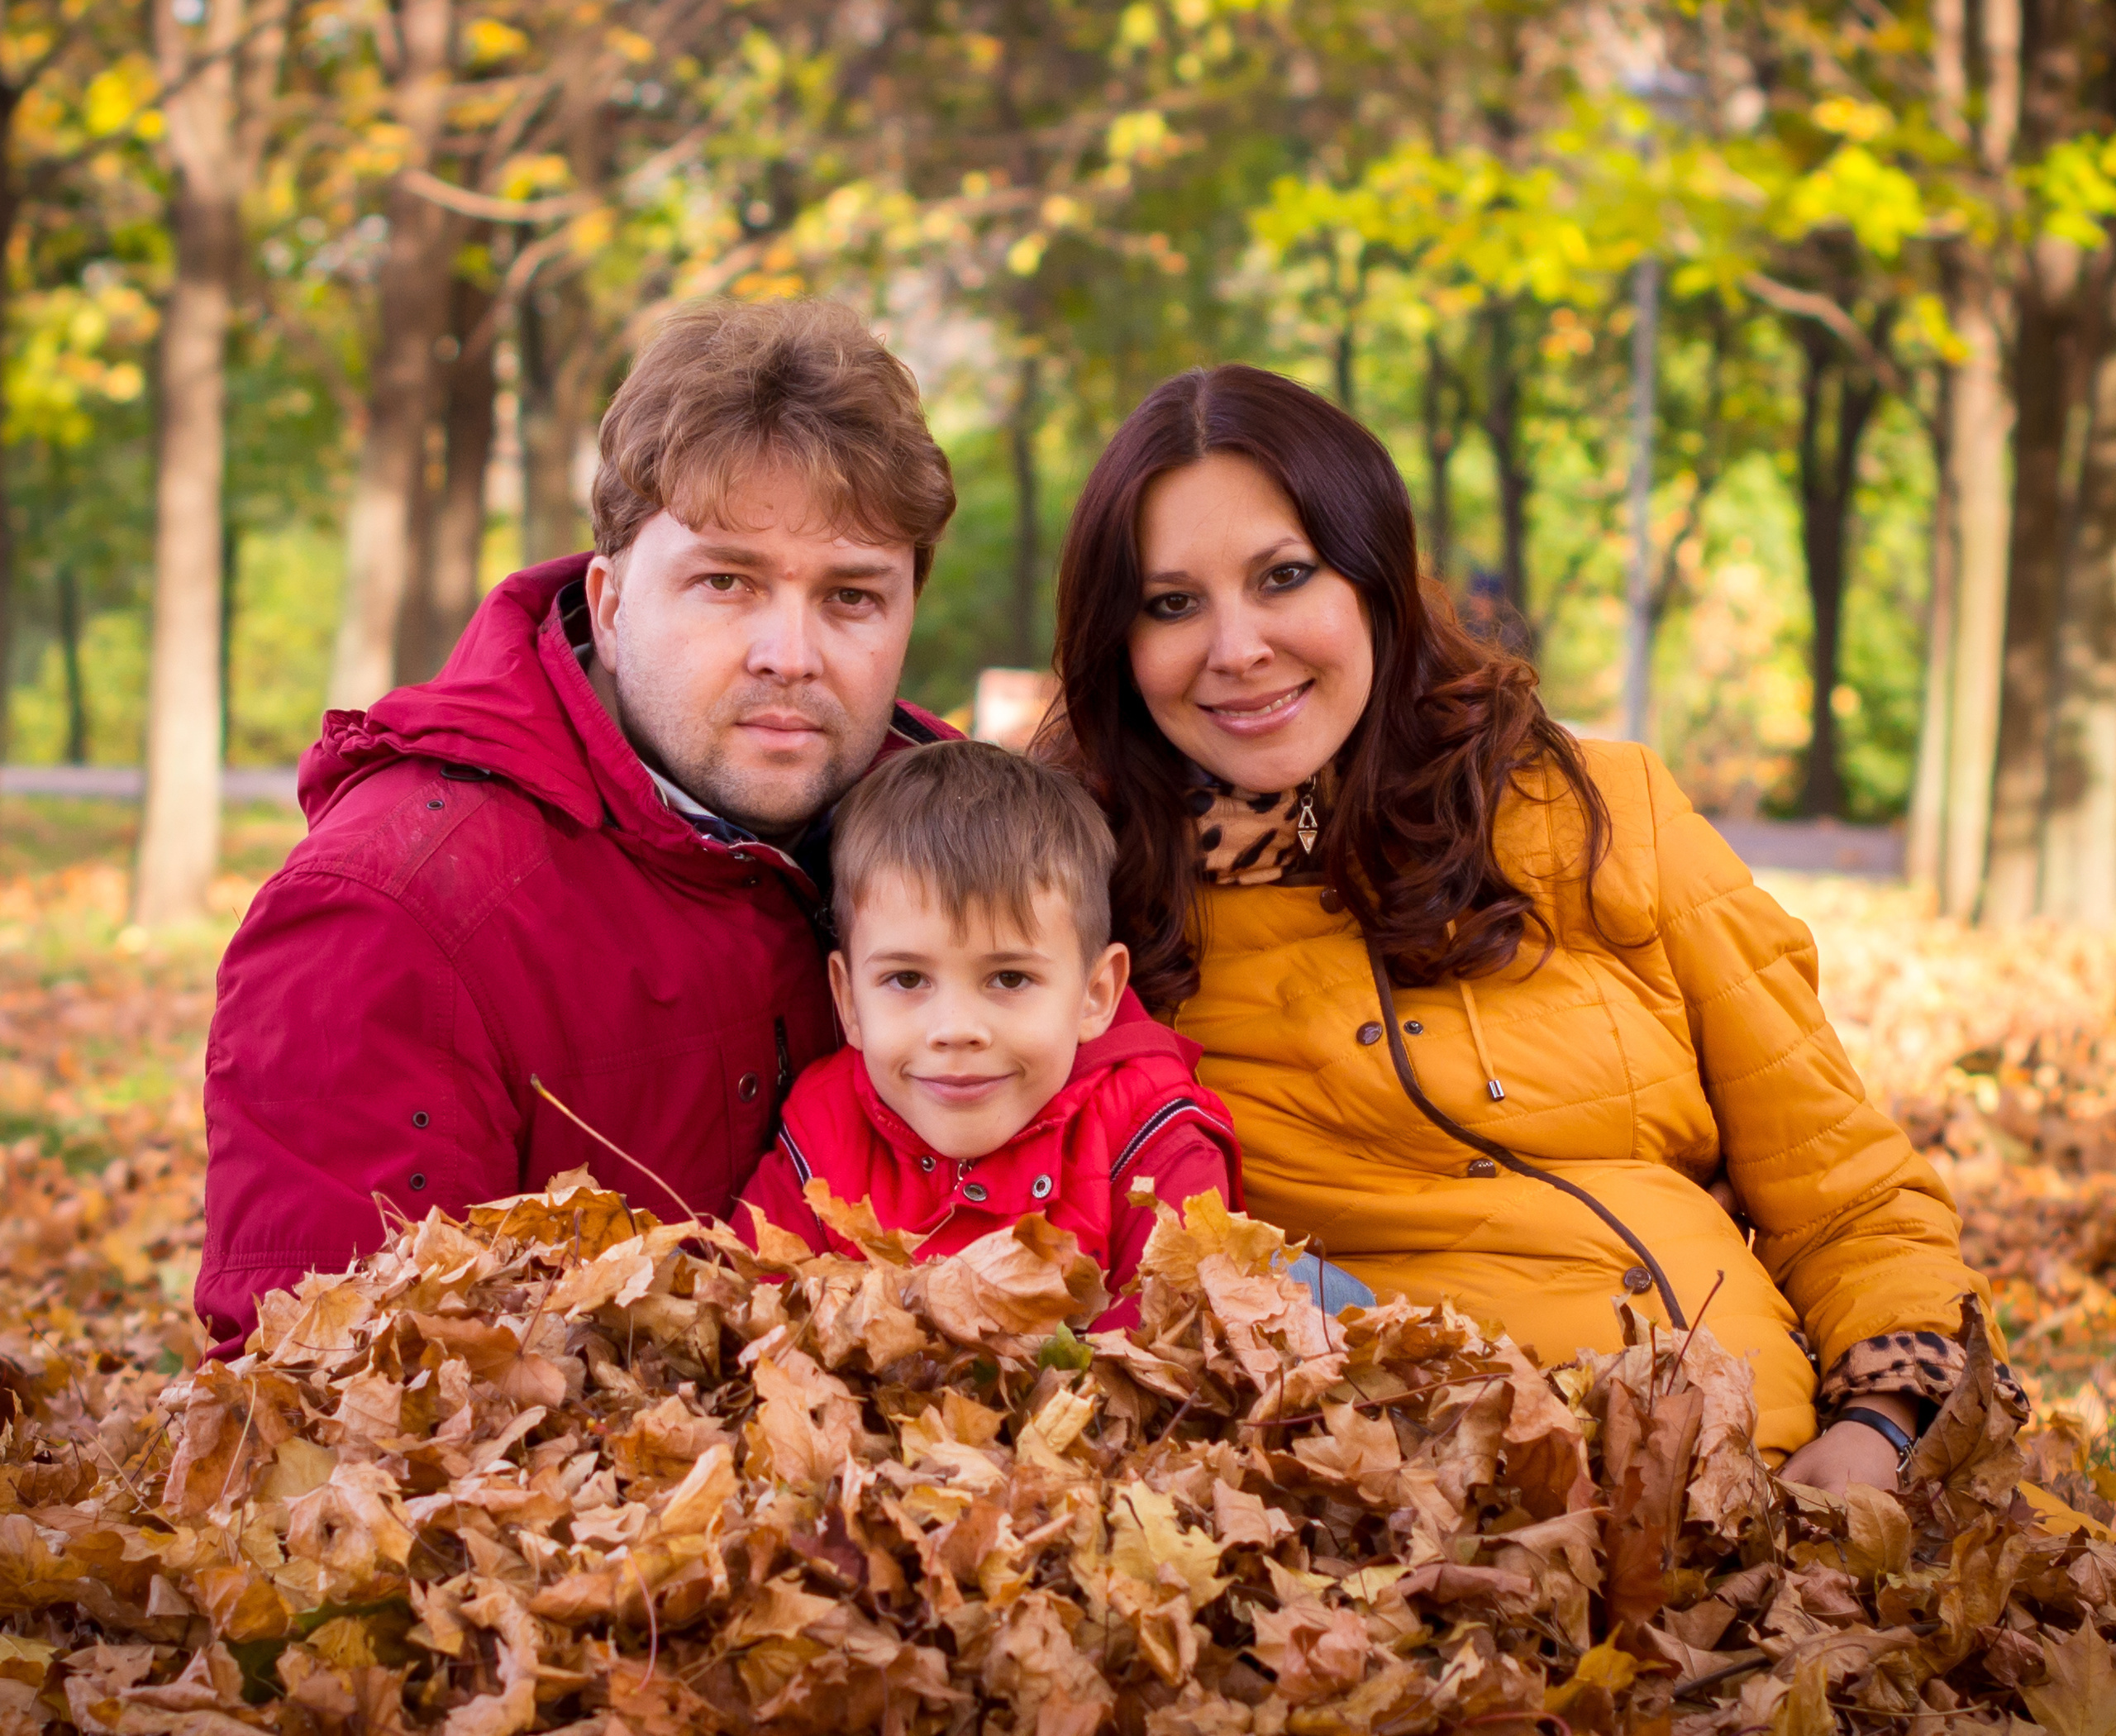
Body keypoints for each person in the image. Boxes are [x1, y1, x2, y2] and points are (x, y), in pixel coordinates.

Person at [1041, 362, 2022, 1490]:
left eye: (1284, 576)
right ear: (1119, 643)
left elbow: (1847, 1190)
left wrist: (1884, 1423)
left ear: (1375, 582)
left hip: (1787, 1476)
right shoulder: (1087, 909)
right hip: (1423, 1535)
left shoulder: (1601, 813)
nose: (1236, 646)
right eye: (1172, 604)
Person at [197, 299, 958, 1356]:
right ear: (608, 603)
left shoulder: (964, 842)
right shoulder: (392, 910)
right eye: (726, 582)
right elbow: (327, 1418)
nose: (791, 652)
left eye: (851, 597)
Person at [736, 740, 1240, 1314]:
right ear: (849, 1000)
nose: (955, 1029)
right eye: (906, 979)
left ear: (1095, 995)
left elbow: (1171, 1365)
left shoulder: (1152, 1144)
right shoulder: (824, 1129)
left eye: (1008, 979)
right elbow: (753, 1320)